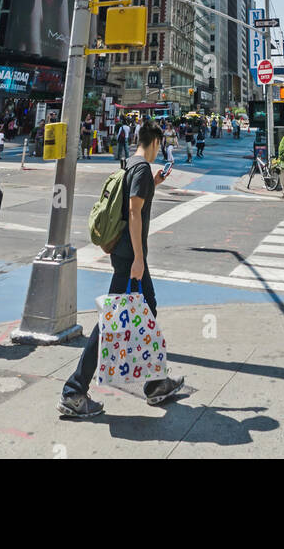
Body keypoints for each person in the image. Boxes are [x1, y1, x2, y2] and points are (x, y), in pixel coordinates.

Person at [57, 121, 184, 418]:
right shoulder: (140, 168)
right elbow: (133, 212)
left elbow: (134, 202)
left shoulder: (133, 167)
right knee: (111, 321)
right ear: (154, 142)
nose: (160, 149)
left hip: (127, 255)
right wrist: (139, 258)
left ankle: (155, 383)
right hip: (130, 258)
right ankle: (74, 391)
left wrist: (156, 183)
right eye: (160, 144)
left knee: (147, 308)